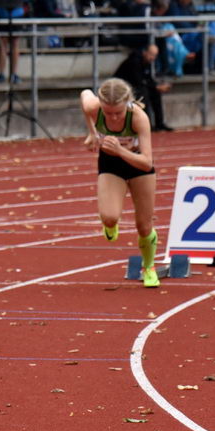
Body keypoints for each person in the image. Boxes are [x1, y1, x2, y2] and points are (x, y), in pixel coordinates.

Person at [80, 78, 159, 287]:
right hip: (110, 163)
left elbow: (146, 161)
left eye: (118, 113)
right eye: (108, 113)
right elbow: (84, 95)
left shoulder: (138, 118)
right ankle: (110, 225)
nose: (113, 117)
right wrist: (91, 132)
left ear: (128, 104)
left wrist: (120, 150)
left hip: (138, 165)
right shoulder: (94, 107)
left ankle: (149, 267)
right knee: (109, 217)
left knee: (144, 225)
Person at [114, 44, 173, 132]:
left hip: (135, 85)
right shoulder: (134, 61)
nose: (153, 58)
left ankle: (159, 123)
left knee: (155, 94)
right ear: (145, 52)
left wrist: (157, 87)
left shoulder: (146, 63)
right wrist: (155, 87)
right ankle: (146, 123)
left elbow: (148, 79)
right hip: (122, 86)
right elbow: (138, 80)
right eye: (151, 54)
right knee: (143, 94)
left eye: (155, 55)